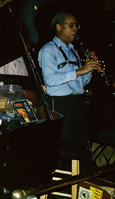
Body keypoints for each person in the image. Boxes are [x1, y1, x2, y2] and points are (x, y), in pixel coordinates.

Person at [38, 12, 101, 155]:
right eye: (71, 25)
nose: (75, 29)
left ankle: (75, 175)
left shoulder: (73, 51)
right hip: (60, 104)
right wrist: (80, 71)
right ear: (59, 27)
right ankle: (58, 176)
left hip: (77, 104)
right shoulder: (48, 49)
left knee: (77, 145)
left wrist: (89, 68)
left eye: (76, 26)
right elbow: (51, 80)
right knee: (61, 146)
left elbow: (81, 83)